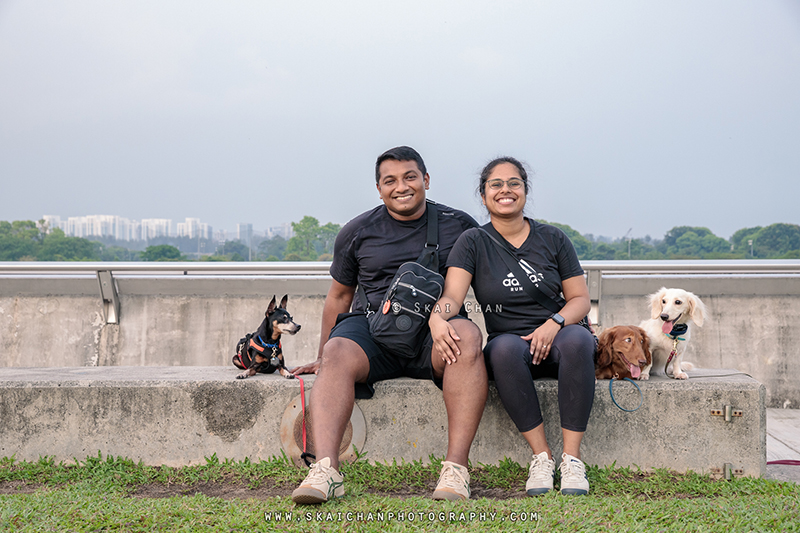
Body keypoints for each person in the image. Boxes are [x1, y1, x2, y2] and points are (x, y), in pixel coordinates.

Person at [289, 146, 487, 504]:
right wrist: (322, 356)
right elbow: (338, 297)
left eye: (410, 177)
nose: (402, 186)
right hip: (373, 330)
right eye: (390, 180)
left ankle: (456, 471)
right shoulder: (357, 231)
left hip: (434, 332)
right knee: (337, 350)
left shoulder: (459, 226)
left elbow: (489, 280)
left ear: (426, 180)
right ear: (378, 188)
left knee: (469, 335)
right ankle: (325, 470)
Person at [429, 156, 596, 496]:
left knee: (579, 340)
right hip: (513, 344)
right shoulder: (473, 241)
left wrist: (555, 322)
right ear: (483, 194)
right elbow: (453, 296)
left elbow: (579, 299)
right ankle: (542, 458)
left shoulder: (553, 238)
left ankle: (572, 460)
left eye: (514, 183)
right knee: (502, 349)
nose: (505, 190)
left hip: (562, 336)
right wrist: (436, 316)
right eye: (496, 184)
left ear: (524, 190)